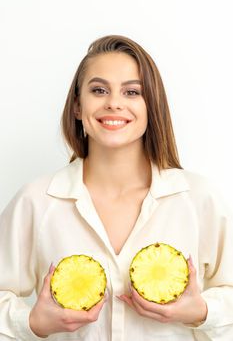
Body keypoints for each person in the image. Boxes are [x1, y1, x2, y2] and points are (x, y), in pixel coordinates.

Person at [0, 35, 232, 341]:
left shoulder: (200, 199)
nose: (114, 102)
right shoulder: (36, 201)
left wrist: (202, 311)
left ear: (152, 107)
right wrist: (31, 323)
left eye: (132, 92)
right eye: (98, 90)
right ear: (77, 107)